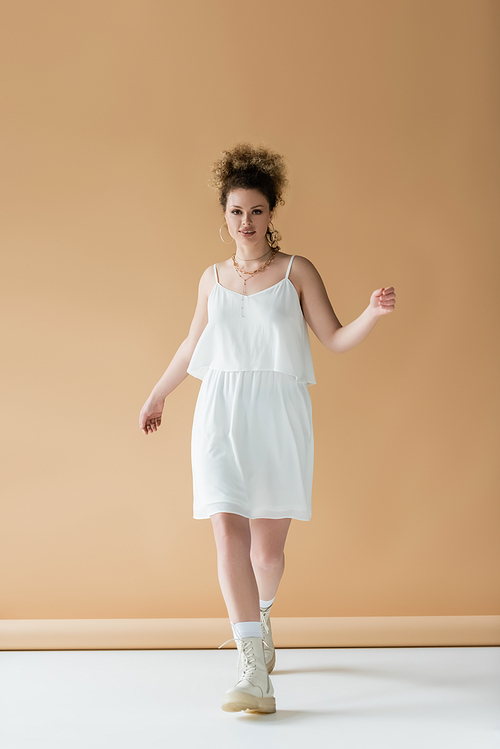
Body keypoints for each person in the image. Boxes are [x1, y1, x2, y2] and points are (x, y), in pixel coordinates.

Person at [139, 143, 396, 715]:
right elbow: (191, 344)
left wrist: (371, 315)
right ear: (223, 218)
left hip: (278, 413)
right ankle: (253, 670)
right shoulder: (211, 279)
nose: (246, 222)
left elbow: (331, 338)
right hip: (220, 411)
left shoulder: (296, 271)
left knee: (268, 551)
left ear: (271, 213)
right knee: (225, 527)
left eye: (256, 211)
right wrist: (159, 393)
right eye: (236, 212)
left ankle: (261, 614)